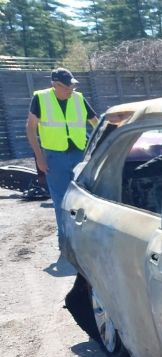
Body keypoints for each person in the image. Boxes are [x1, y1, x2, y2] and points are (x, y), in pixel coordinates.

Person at [25, 68, 99, 249]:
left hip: (78, 155)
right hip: (54, 156)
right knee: (61, 200)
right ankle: (65, 238)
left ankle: (83, 236)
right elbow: (30, 129)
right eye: (67, 87)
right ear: (55, 85)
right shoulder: (41, 99)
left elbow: (96, 124)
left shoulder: (79, 98)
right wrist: (39, 158)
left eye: (72, 86)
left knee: (83, 197)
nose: (70, 90)